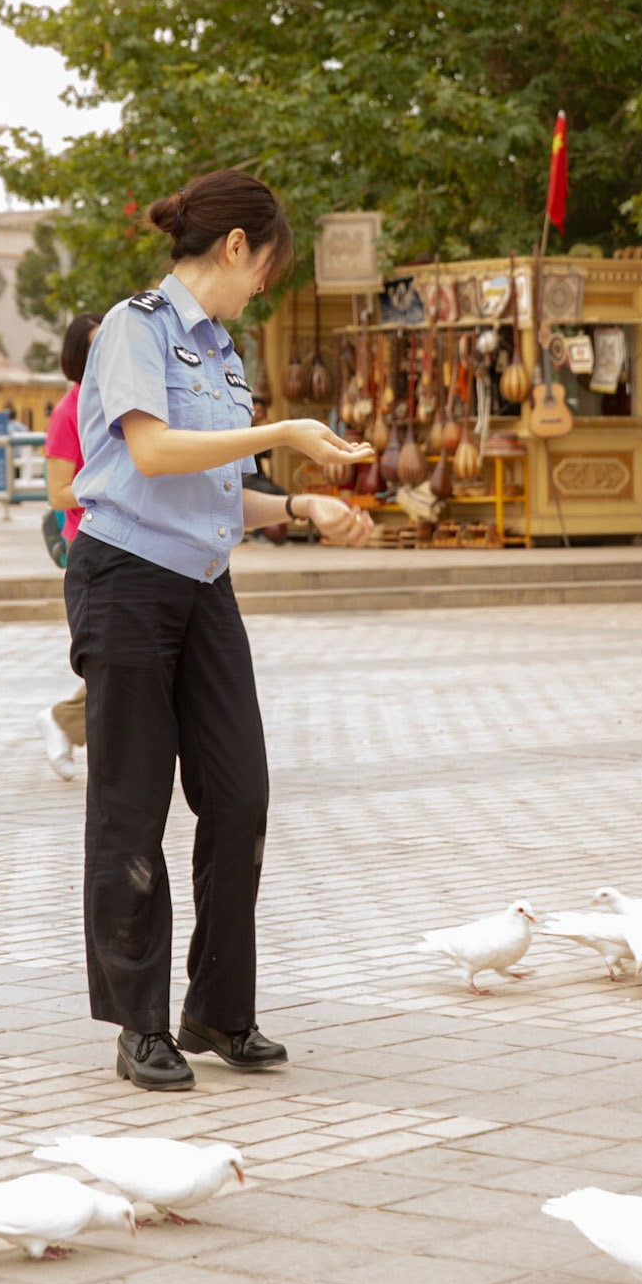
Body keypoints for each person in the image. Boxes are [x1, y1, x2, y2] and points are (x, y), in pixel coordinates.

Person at [66, 168, 374, 1092]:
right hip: (123, 580)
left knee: (238, 795)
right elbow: (152, 453)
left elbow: (207, 493)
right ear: (237, 246)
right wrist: (280, 431)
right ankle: (139, 1024)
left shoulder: (226, 356)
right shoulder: (135, 328)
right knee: (131, 804)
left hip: (201, 584)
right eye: (266, 266)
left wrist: (300, 508)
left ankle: (217, 1009)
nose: (263, 286)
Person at [37, 312, 101, 779]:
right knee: (115, 657)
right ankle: (63, 719)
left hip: (134, 541)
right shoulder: (68, 412)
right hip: (91, 546)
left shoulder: (120, 400)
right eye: (96, 346)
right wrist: (114, 485)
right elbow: (59, 492)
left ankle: (67, 721)